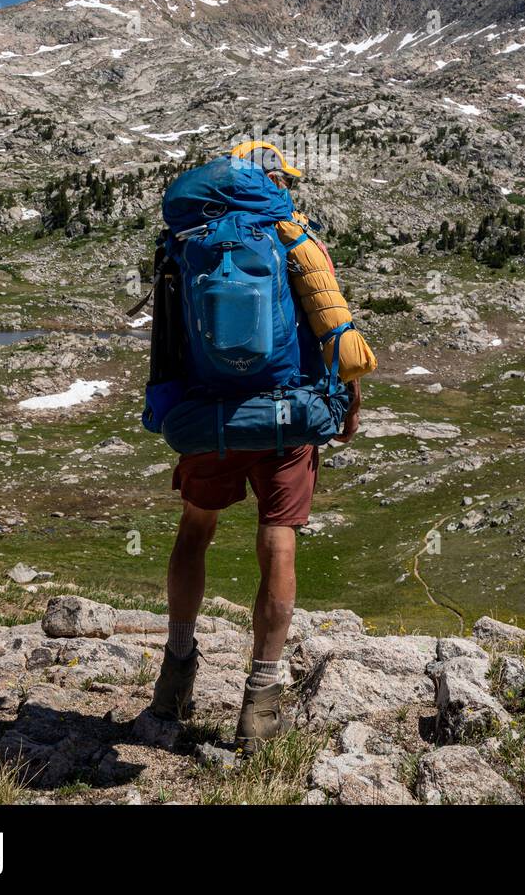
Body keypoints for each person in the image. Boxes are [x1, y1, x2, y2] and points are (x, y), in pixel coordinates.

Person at [149, 140, 363, 753]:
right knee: (278, 538)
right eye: (284, 178)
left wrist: (169, 402)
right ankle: (260, 702)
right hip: (284, 417)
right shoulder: (294, 238)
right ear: (273, 180)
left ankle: (176, 671)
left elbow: (170, 334)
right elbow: (334, 326)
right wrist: (347, 404)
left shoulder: (186, 242)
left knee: (195, 532)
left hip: (208, 415)